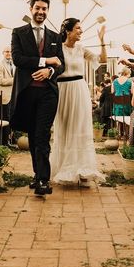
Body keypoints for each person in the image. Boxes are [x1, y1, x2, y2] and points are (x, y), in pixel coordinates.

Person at [10, 0, 64, 196]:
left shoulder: (55, 37)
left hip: (48, 94)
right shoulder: (18, 32)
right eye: (37, 8)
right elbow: (18, 59)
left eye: (44, 9)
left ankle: (43, 179)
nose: (41, 12)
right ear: (31, 9)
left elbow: (61, 64)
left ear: (48, 11)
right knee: (33, 136)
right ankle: (37, 174)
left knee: (42, 135)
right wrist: (45, 62)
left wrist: (50, 71)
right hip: (27, 92)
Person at [50, 19, 106, 187]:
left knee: (81, 128)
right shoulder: (57, 49)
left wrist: (102, 41)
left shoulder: (82, 49)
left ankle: (83, 169)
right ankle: (63, 167)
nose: (81, 31)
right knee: (64, 127)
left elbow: (102, 60)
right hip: (62, 90)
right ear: (68, 31)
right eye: (78, 28)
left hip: (80, 90)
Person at [0, 46, 15, 145]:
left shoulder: (14, 64)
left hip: (12, 96)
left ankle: (9, 141)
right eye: (6, 51)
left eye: (10, 52)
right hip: (2, 98)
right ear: (3, 53)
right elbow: (0, 80)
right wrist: (15, 80)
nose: (8, 53)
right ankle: (1, 143)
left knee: (10, 119)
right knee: (3, 120)